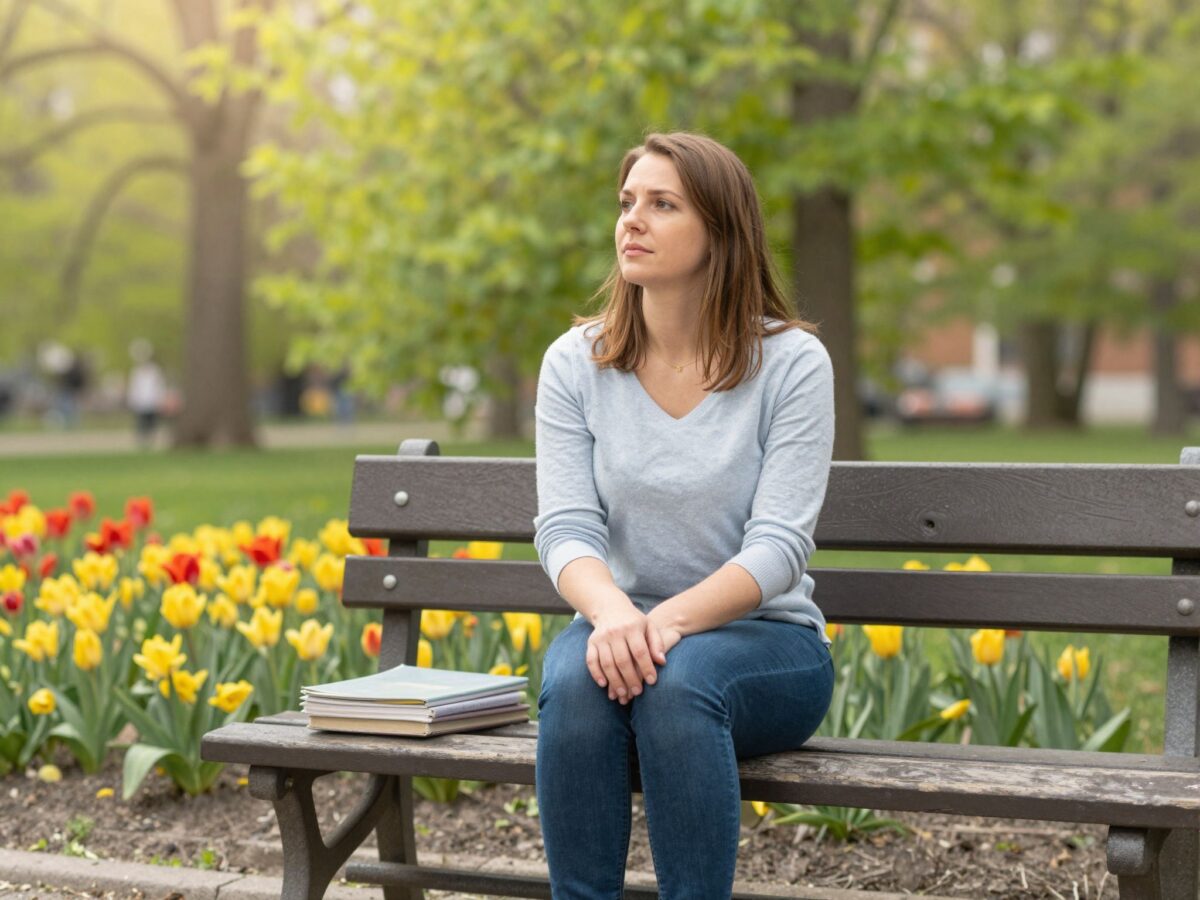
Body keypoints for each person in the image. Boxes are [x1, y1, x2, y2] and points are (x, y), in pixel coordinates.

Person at [532, 132, 837, 899]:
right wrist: (611, 618)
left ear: (722, 234)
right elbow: (565, 528)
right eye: (627, 202)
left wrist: (660, 625)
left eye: (663, 204)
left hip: (766, 645)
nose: (632, 220)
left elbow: (779, 548)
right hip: (615, 631)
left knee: (677, 683)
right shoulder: (576, 362)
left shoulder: (793, 365)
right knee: (572, 687)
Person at [126, 339, 167, 449]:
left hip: (152, 401)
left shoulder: (155, 371)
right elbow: (134, 388)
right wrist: (133, 400)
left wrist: (160, 399)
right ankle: (142, 440)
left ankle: (150, 440)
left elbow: (159, 387)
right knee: (141, 422)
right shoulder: (136, 372)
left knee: (151, 422)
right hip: (141, 401)